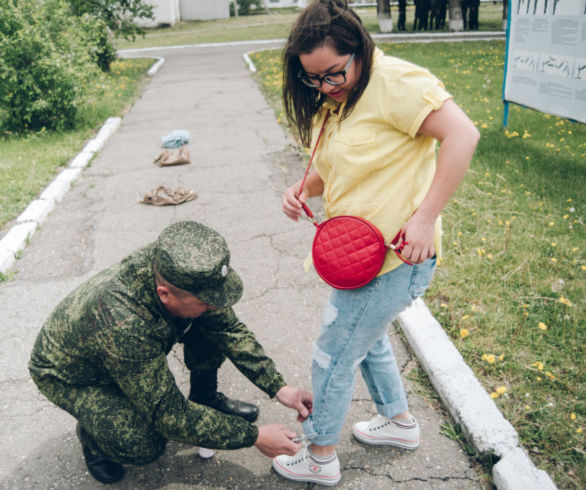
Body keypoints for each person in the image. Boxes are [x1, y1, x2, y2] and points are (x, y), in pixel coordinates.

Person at [273, 0, 480, 485]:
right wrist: (302, 189)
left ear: (359, 50)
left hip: (394, 259)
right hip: (356, 259)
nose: (325, 87)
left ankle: (320, 454)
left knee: (333, 351)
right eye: (313, 79)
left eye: (333, 74)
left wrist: (426, 218)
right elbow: (334, 169)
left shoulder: (395, 83)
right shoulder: (341, 98)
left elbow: (463, 136)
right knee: (365, 338)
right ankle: (398, 423)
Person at [29, 220, 312, 484]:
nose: (215, 306)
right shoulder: (124, 320)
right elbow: (168, 414)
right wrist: (255, 437)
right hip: (74, 375)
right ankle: (93, 437)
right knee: (142, 444)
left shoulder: (179, 268)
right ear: (165, 293)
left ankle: (205, 399)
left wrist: (278, 387)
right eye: (206, 300)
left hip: (119, 351)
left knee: (210, 324)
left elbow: (230, 330)